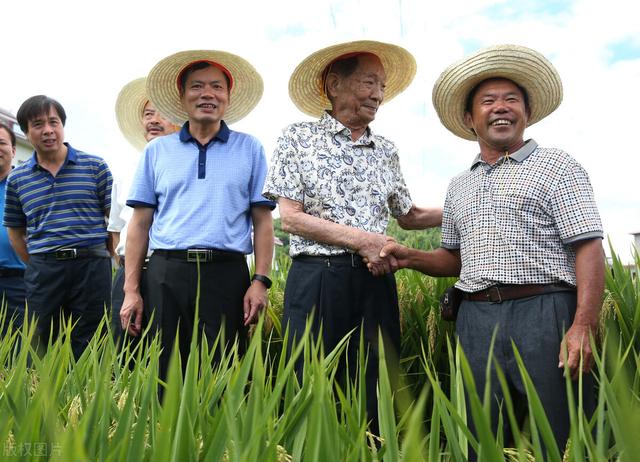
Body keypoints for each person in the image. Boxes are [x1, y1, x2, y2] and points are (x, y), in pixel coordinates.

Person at [381, 44, 604, 457]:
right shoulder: (460, 185)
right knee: (480, 432)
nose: (500, 108)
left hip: (546, 312)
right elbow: (454, 260)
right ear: (470, 119)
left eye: (511, 100)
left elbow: (588, 247)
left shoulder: (559, 166)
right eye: (488, 101)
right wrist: (408, 256)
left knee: (557, 430)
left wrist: (583, 325)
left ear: (527, 113)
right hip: (476, 318)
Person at [263, 40, 442, 431]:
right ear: (333, 84)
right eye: (368, 82)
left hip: (375, 280)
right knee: (311, 383)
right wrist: (364, 240)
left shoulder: (386, 150)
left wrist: (469, 207)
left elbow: (409, 216)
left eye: (381, 86)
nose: (378, 94)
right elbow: (291, 218)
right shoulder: (298, 138)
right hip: (317, 279)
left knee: (377, 383)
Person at [119, 50, 275, 380]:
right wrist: (132, 290)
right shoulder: (157, 151)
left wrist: (260, 281)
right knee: (163, 372)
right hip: (166, 274)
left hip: (227, 274)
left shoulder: (250, 149)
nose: (207, 94)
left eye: (217, 87)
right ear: (182, 96)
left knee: (224, 372)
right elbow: (139, 224)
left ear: (228, 97)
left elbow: (263, 222)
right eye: (197, 86)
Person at [4, 95, 113, 358]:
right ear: (27, 132)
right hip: (45, 270)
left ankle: (88, 397)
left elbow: (113, 222)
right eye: (38, 124)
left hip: (91, 267)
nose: (48, 130)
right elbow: (16, 231)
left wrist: (102, 254)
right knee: (42, 343)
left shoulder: (95, 166)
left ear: (62, 126)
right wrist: (38, 262)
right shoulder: (18, 179)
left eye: (54, 122)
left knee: (92, 342)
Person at [110, 77, 178, 342]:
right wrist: (129, 273)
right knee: (123, 348)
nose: (153, 120)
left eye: (162, 113)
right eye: (148, 113)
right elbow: (115, 229)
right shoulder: (126, 168)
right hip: (127, 274)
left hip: (168, 271)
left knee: (164, 352)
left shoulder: (188, 167)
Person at [0, 122, 26, 335]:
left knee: (18, 351)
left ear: (14, 150)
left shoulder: (26, 184)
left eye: (1, 143)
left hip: (17, 283)